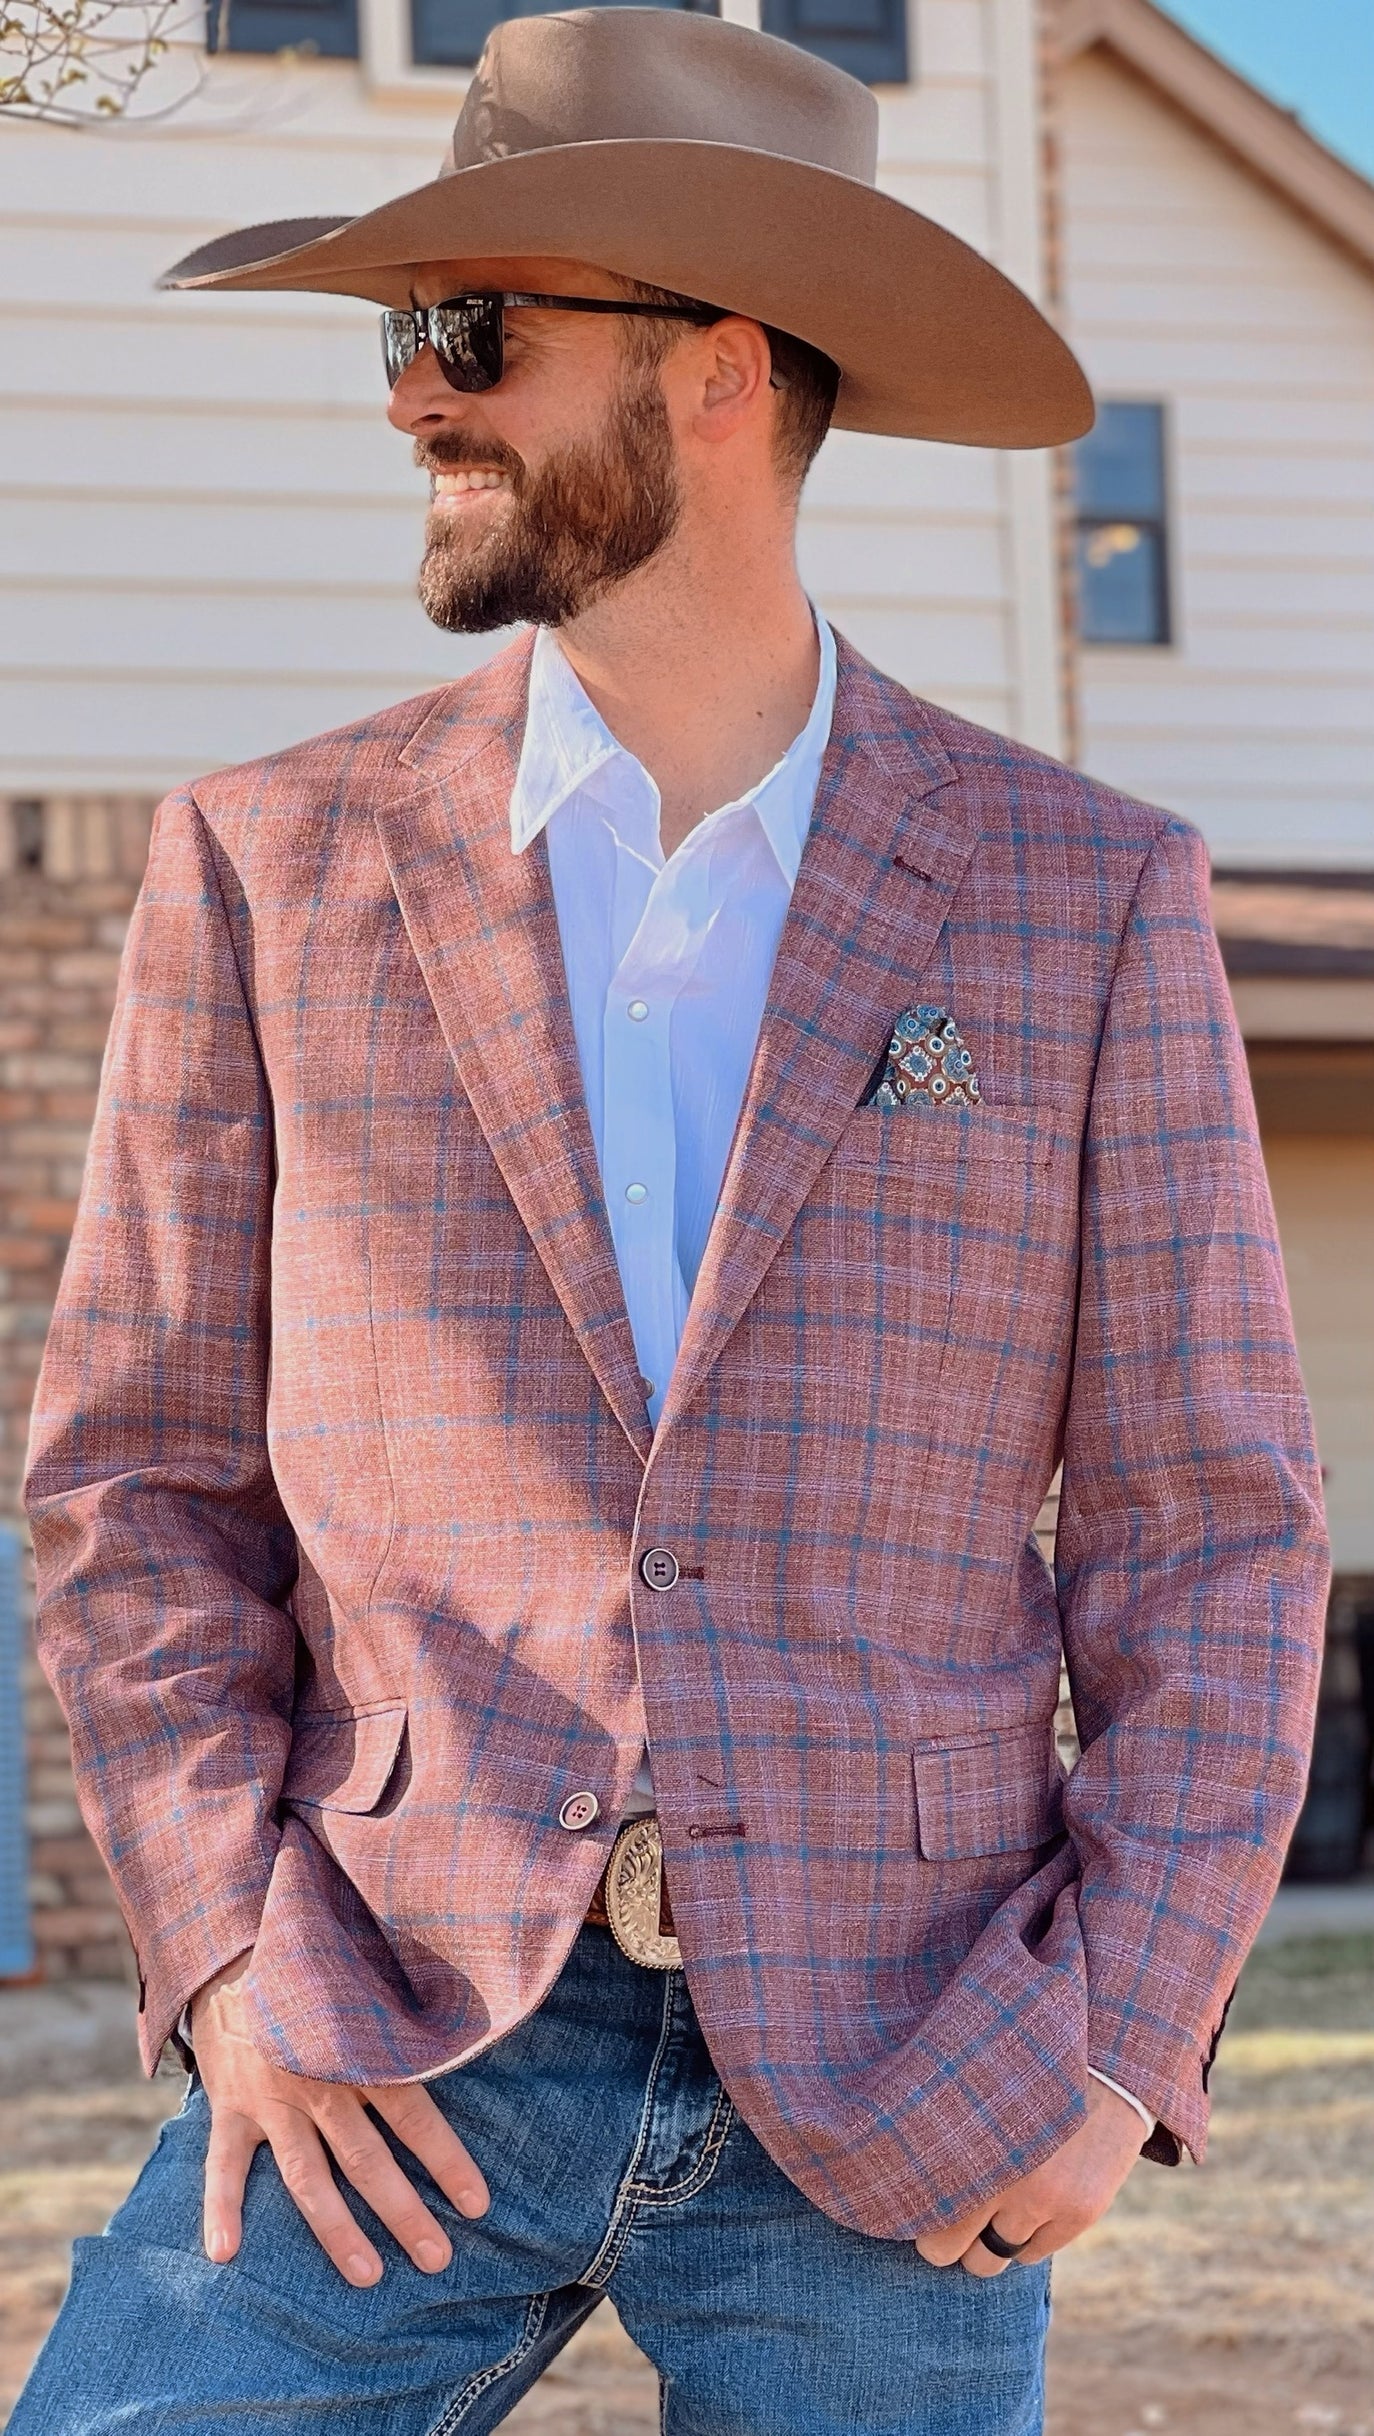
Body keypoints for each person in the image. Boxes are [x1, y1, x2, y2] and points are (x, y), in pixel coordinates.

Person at [16, 10, 1328, 2432]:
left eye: (466, 332)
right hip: (391, 2037)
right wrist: (220, 1954)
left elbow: (1212, 1529)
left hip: (912, 2067)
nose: (409, 399)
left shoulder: (1085, 896)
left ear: (716, 373)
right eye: (406, 339)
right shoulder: (264, 868)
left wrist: (1129, 2038)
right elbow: (133, 1488)